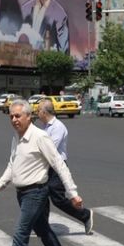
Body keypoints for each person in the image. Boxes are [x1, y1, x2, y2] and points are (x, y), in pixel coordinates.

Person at [0, 99, 82, 246]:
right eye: (11, 116)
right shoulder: (16, 138)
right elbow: (13, 165)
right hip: (22, 194)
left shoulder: (40, 137)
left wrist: (72, 193)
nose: (14, 119)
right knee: (44, 231)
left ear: (29, 117)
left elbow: (59, 164)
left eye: (18, 115)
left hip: (36, 193)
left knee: (20, 234)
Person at [37, 99, 93, 234]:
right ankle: (42, 226)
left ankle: (85, 215)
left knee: (58, 198)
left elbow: (50, 149)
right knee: (42, 194)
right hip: (47, 166)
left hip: (58, 167)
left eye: (38, 110)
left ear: (44, 112)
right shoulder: (45, 127)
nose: (36, 113)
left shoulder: (58, 127)